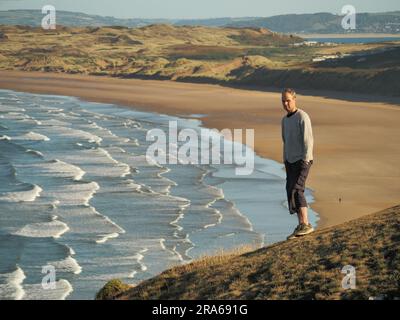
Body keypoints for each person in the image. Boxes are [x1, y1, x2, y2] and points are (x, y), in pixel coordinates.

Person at [281, 88, 314, 240]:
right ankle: (301, 225)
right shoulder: (285, 120)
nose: (286, 103)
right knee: (290, 191)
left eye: (288, 100)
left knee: (297, 189)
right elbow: (285, 141)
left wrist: (306, 159)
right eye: (283, 101)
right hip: (290, 161)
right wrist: (285, 159)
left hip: (302, 159)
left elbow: (308, 140)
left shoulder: (302, 116)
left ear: (294, 99)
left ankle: (306, 224)